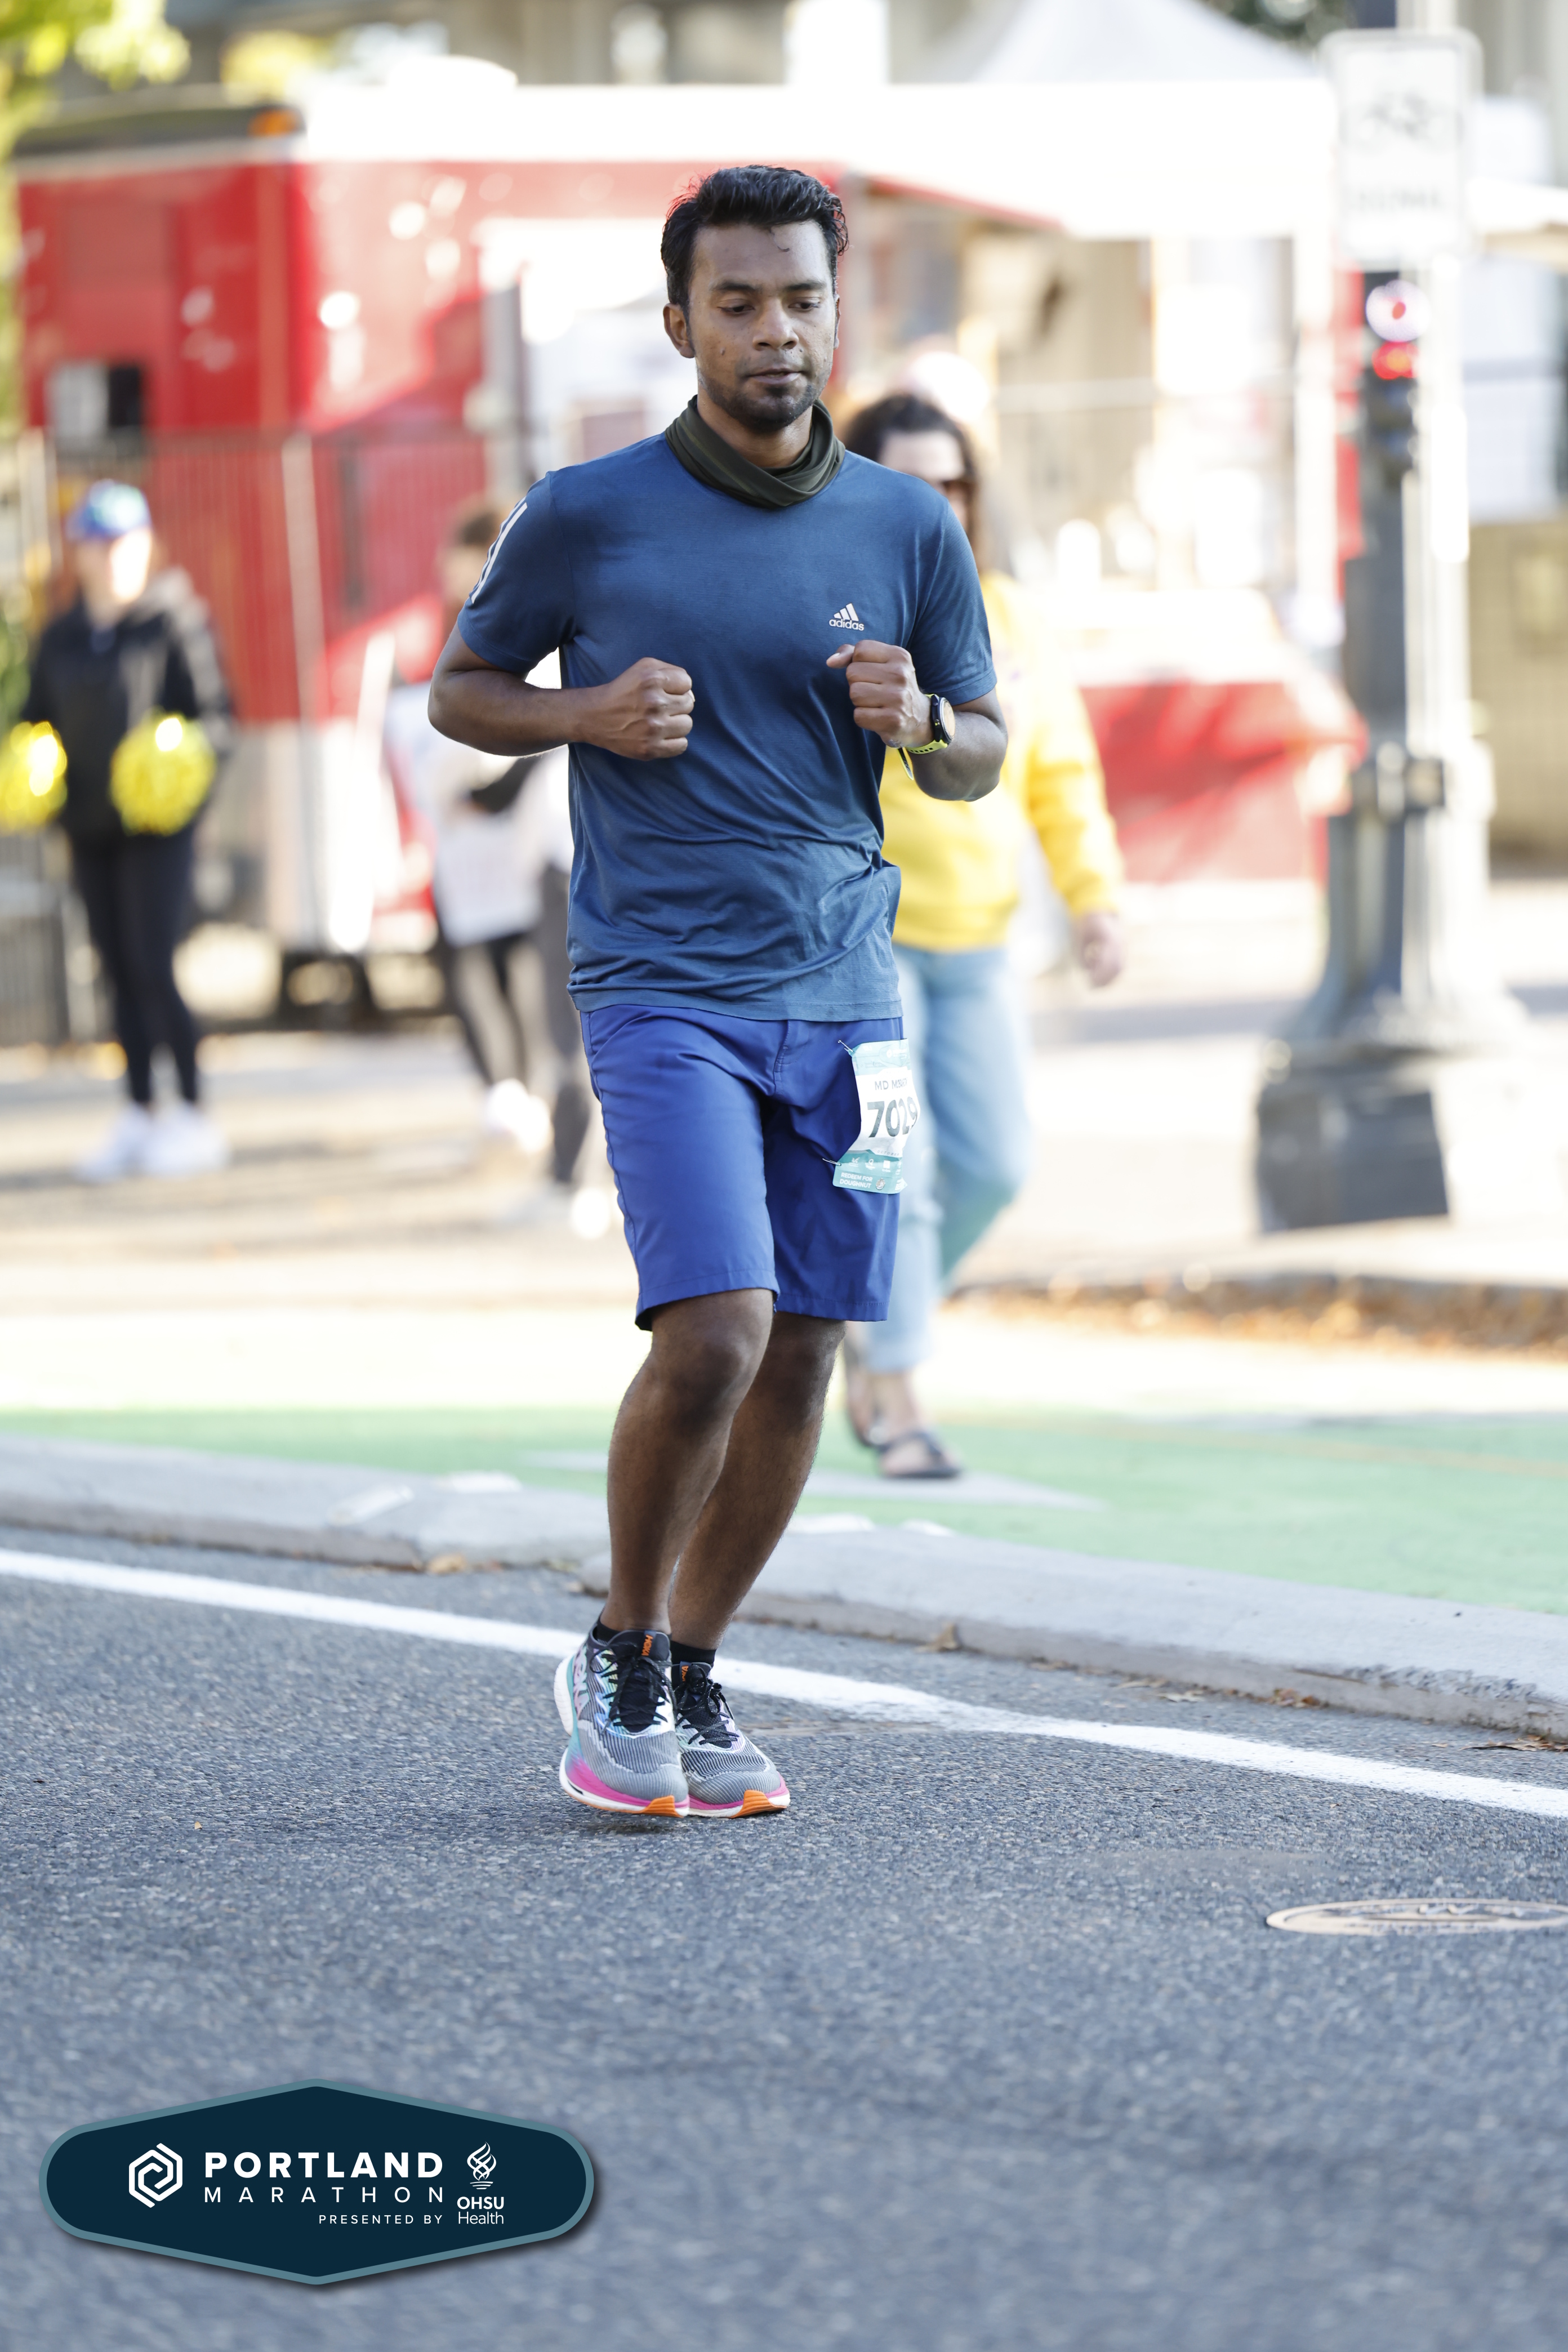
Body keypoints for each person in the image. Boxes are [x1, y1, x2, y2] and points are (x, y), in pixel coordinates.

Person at [430, 167, 1005, 1818]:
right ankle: (617, 1645)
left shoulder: (907, 525)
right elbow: (463, 691)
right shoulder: (586, 512)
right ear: (681, 322)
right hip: (660, 988)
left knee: (809, 1349)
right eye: (738, 303)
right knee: (717, 1331)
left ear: (836, 311)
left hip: (850, 1001)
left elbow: (981, 751)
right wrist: (585, 714)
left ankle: (689, 1667)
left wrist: (923, 722)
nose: (775, 331)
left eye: (801, 299)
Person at [838, 394, 1126, 1477]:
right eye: (912, 482)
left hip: (981, 943)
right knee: (896, 1166)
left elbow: (1060, 773)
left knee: (995, 1164)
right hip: (866, 948)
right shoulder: (841, 612)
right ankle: (897, 1395)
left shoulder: (1009, 617)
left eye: (953, 482)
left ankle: (869, 1321)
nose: (939, 502)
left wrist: (1093, 899)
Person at [384, 499, 595, 1202]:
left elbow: (537, 730)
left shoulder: (537, 625)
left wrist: (482, 798)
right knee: (555, 1014)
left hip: (560, 845)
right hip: (543, 846)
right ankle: (567, 1172)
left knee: (568, 1022)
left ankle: (573, 1183)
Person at [24, 480, 234, 1182]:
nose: (111, 556)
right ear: (79, 553)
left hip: (157, 829)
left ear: (145, 546)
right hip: (89, 827)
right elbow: (34, 722)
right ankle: (140, 1110)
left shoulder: (174, 622)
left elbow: (216, 721)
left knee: (152, 964)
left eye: (123, 542)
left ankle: (193, 1113)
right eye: (98, 543)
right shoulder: (60, 636)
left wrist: (178, 769)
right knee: (115, 968)